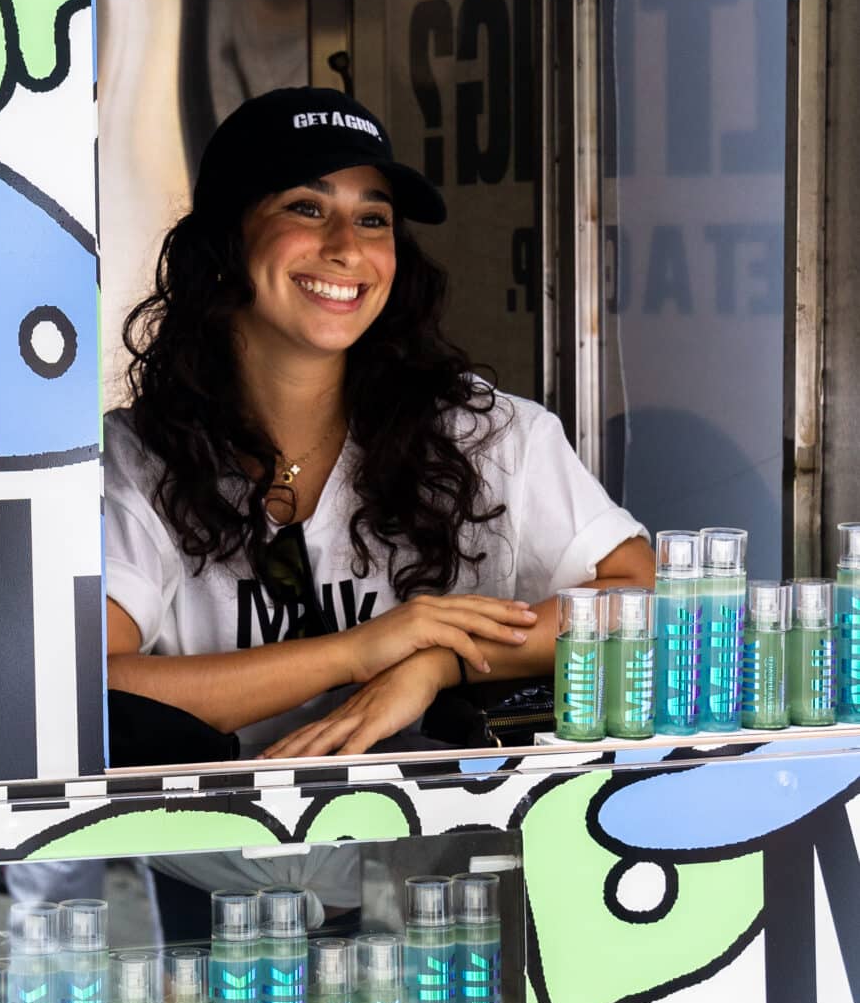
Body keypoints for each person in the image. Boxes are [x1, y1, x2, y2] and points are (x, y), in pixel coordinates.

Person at [104, 86, 653, 760]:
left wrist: (434, 662)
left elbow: (640, 596)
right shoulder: (135, 459)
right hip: (216, 859)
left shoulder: (488, 434)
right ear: (224, 242)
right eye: (305, 208)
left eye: (373, 219)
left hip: (445, 853)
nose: (345, 247)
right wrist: (357, 652)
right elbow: (92, 686)